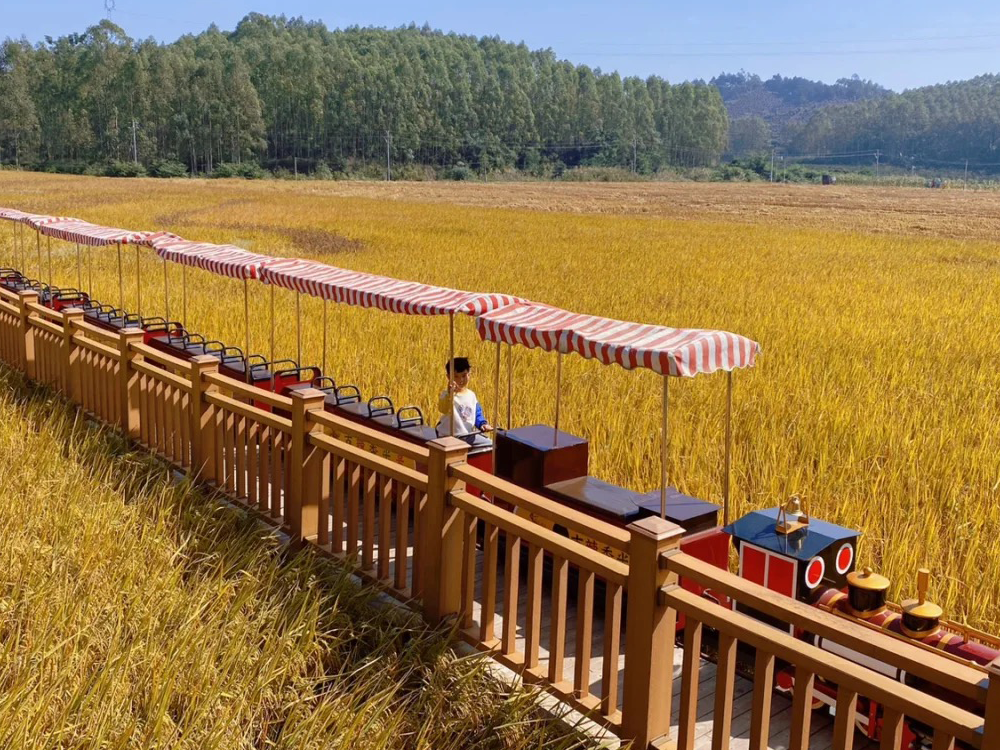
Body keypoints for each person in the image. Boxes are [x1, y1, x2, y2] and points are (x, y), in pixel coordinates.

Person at [436, 356, 493, 446]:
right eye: (456, 377)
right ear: (448, 377)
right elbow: (443, 409)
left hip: (467, 435)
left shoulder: (471, 395)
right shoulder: (446, 395)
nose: (460, 380)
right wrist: (450, 395)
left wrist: (482, 424)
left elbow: (476, 413)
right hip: (448, 436)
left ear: (469, 374)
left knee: (490, 444)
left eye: (464, 375)